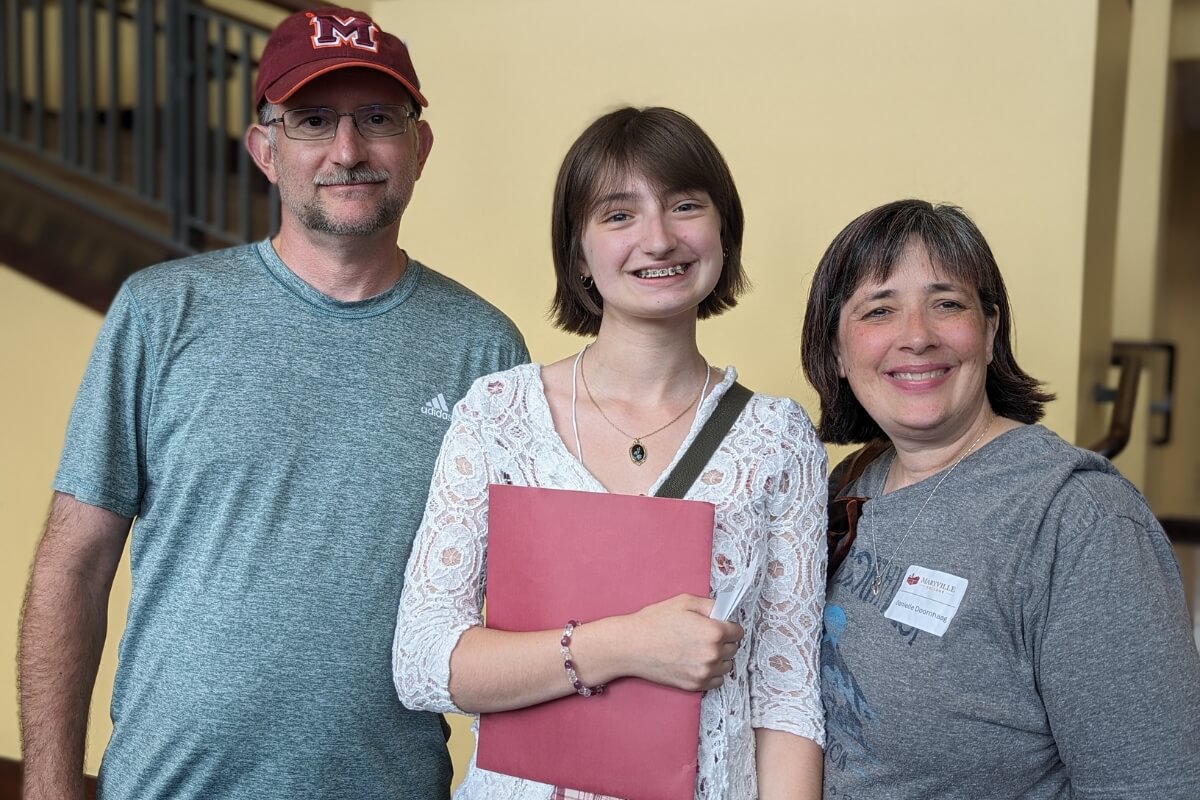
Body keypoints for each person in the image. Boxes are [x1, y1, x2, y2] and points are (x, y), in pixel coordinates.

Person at [18, 7, 527, 799]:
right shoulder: (163, 313)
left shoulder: (484, 350)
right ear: (264, 149)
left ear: (419, 147)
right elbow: (73, 564)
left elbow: (519, 607)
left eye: (378, 119)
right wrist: (49, 790)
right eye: (313, 121)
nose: (349, 150)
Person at [392, 106, 826, 799]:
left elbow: (786, 695)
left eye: (685, 206)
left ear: (724, 231)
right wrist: (625, 646)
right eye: (619, 215)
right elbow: (422, 666)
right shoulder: (500, 415)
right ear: (578, 253)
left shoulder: (776, 437)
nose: (658, 238)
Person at [801, 198, 1200, 798]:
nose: (917, 336)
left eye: (947, 304)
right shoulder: (849, 484)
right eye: (879, 310)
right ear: (836, 350)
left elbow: (1152, 784)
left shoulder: (1081, 521)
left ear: (989, 331)